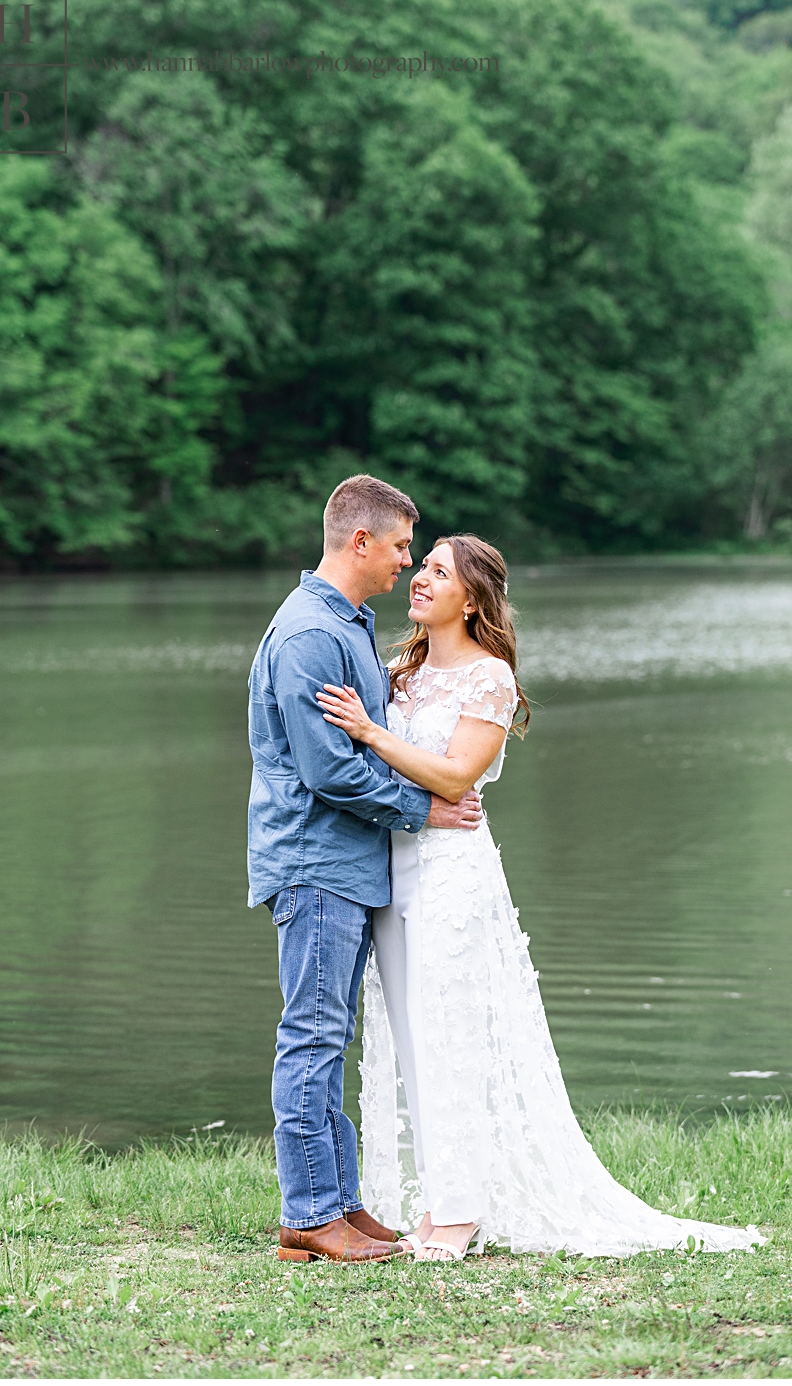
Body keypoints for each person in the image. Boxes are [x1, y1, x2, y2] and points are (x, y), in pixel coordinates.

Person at [317, 533, 765, 1259]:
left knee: (451, 1034)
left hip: (451, 876)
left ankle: (459, 1215)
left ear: (472, 598)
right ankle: (431, 1203)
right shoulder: (399, 672)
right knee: (408, 1039)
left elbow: (457, 774)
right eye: (421, 564)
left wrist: (370, 731)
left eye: (438, 570)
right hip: (390, 872)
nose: (420, 577)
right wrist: (376, 730)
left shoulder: (488, 677)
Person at [247, 475, 484, 1264]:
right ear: (359, 541)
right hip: (316, 861)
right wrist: (424, 809)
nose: (405, 562)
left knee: (329, 1034)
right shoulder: (311, 634)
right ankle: (309, 1212)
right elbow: (327, 771)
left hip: (346, 865)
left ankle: (340, 1200)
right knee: (311, 1037)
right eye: (399, 546)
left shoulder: (347, 622)